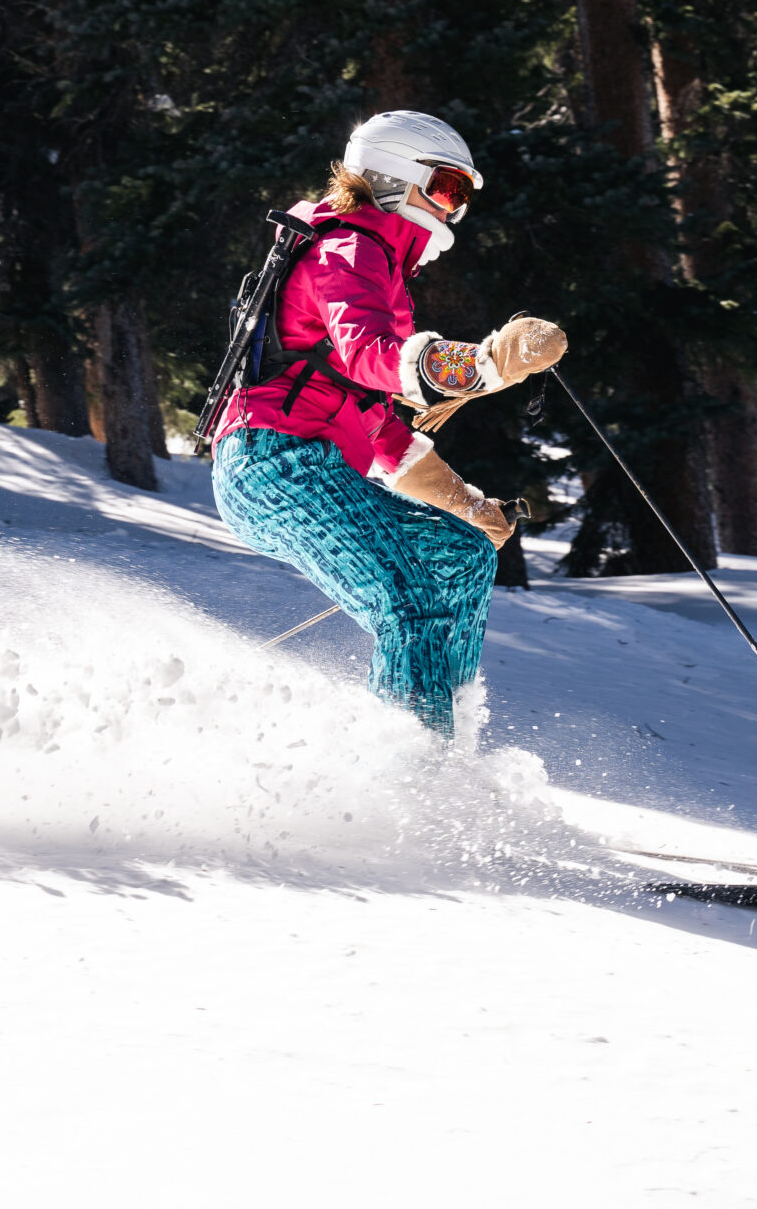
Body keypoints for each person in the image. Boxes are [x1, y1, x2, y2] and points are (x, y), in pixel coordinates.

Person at [210, 111, 565, 741]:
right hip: (275, 461)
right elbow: (370, 355)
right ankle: (408, 771)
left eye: (464, 195)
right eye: (451, 187)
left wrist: (468, 505)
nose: (455, 208)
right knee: (408, 605)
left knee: (461, 556)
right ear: (397, 173)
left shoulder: (378, 265)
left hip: (302, 461)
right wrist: (485, 364)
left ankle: (445, 739)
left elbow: (380, 430)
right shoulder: (349, 248)